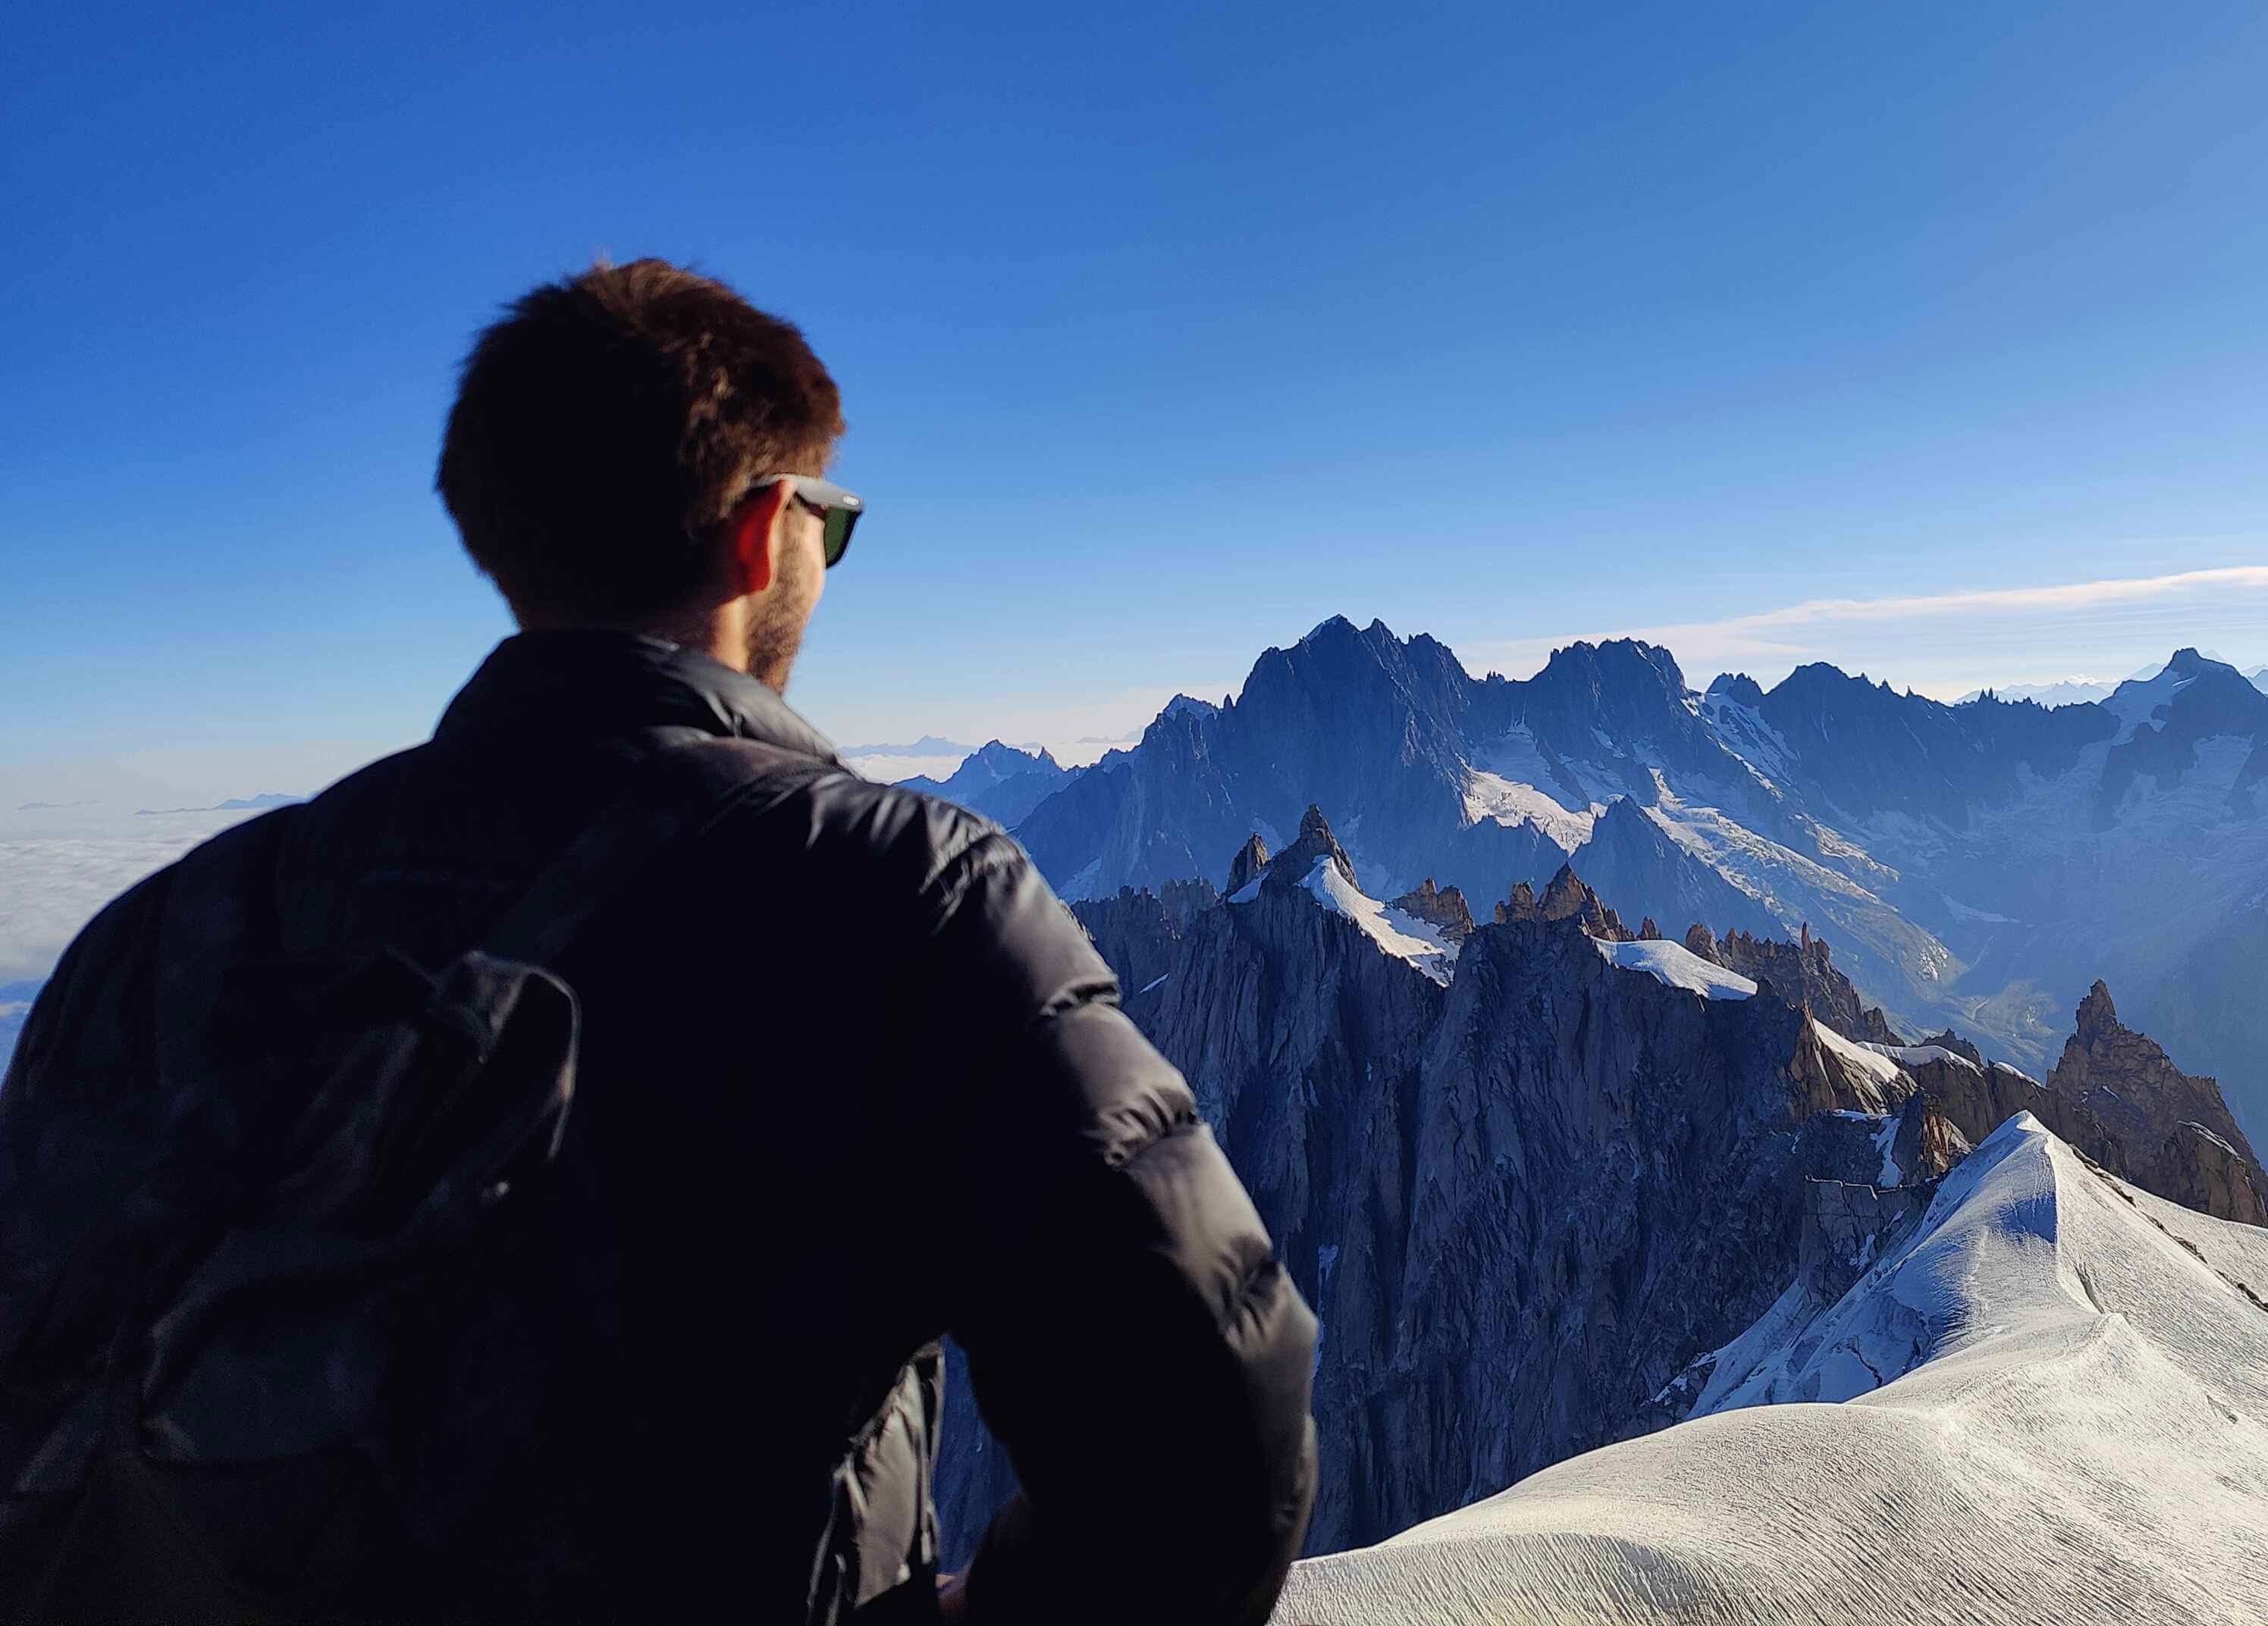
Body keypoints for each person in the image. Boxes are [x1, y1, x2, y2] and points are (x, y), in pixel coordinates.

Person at [0, 260, 1316, 1622]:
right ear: (764, 536)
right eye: (833, 522)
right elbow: (1214, 1415)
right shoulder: (903, 897)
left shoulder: (162, 935)